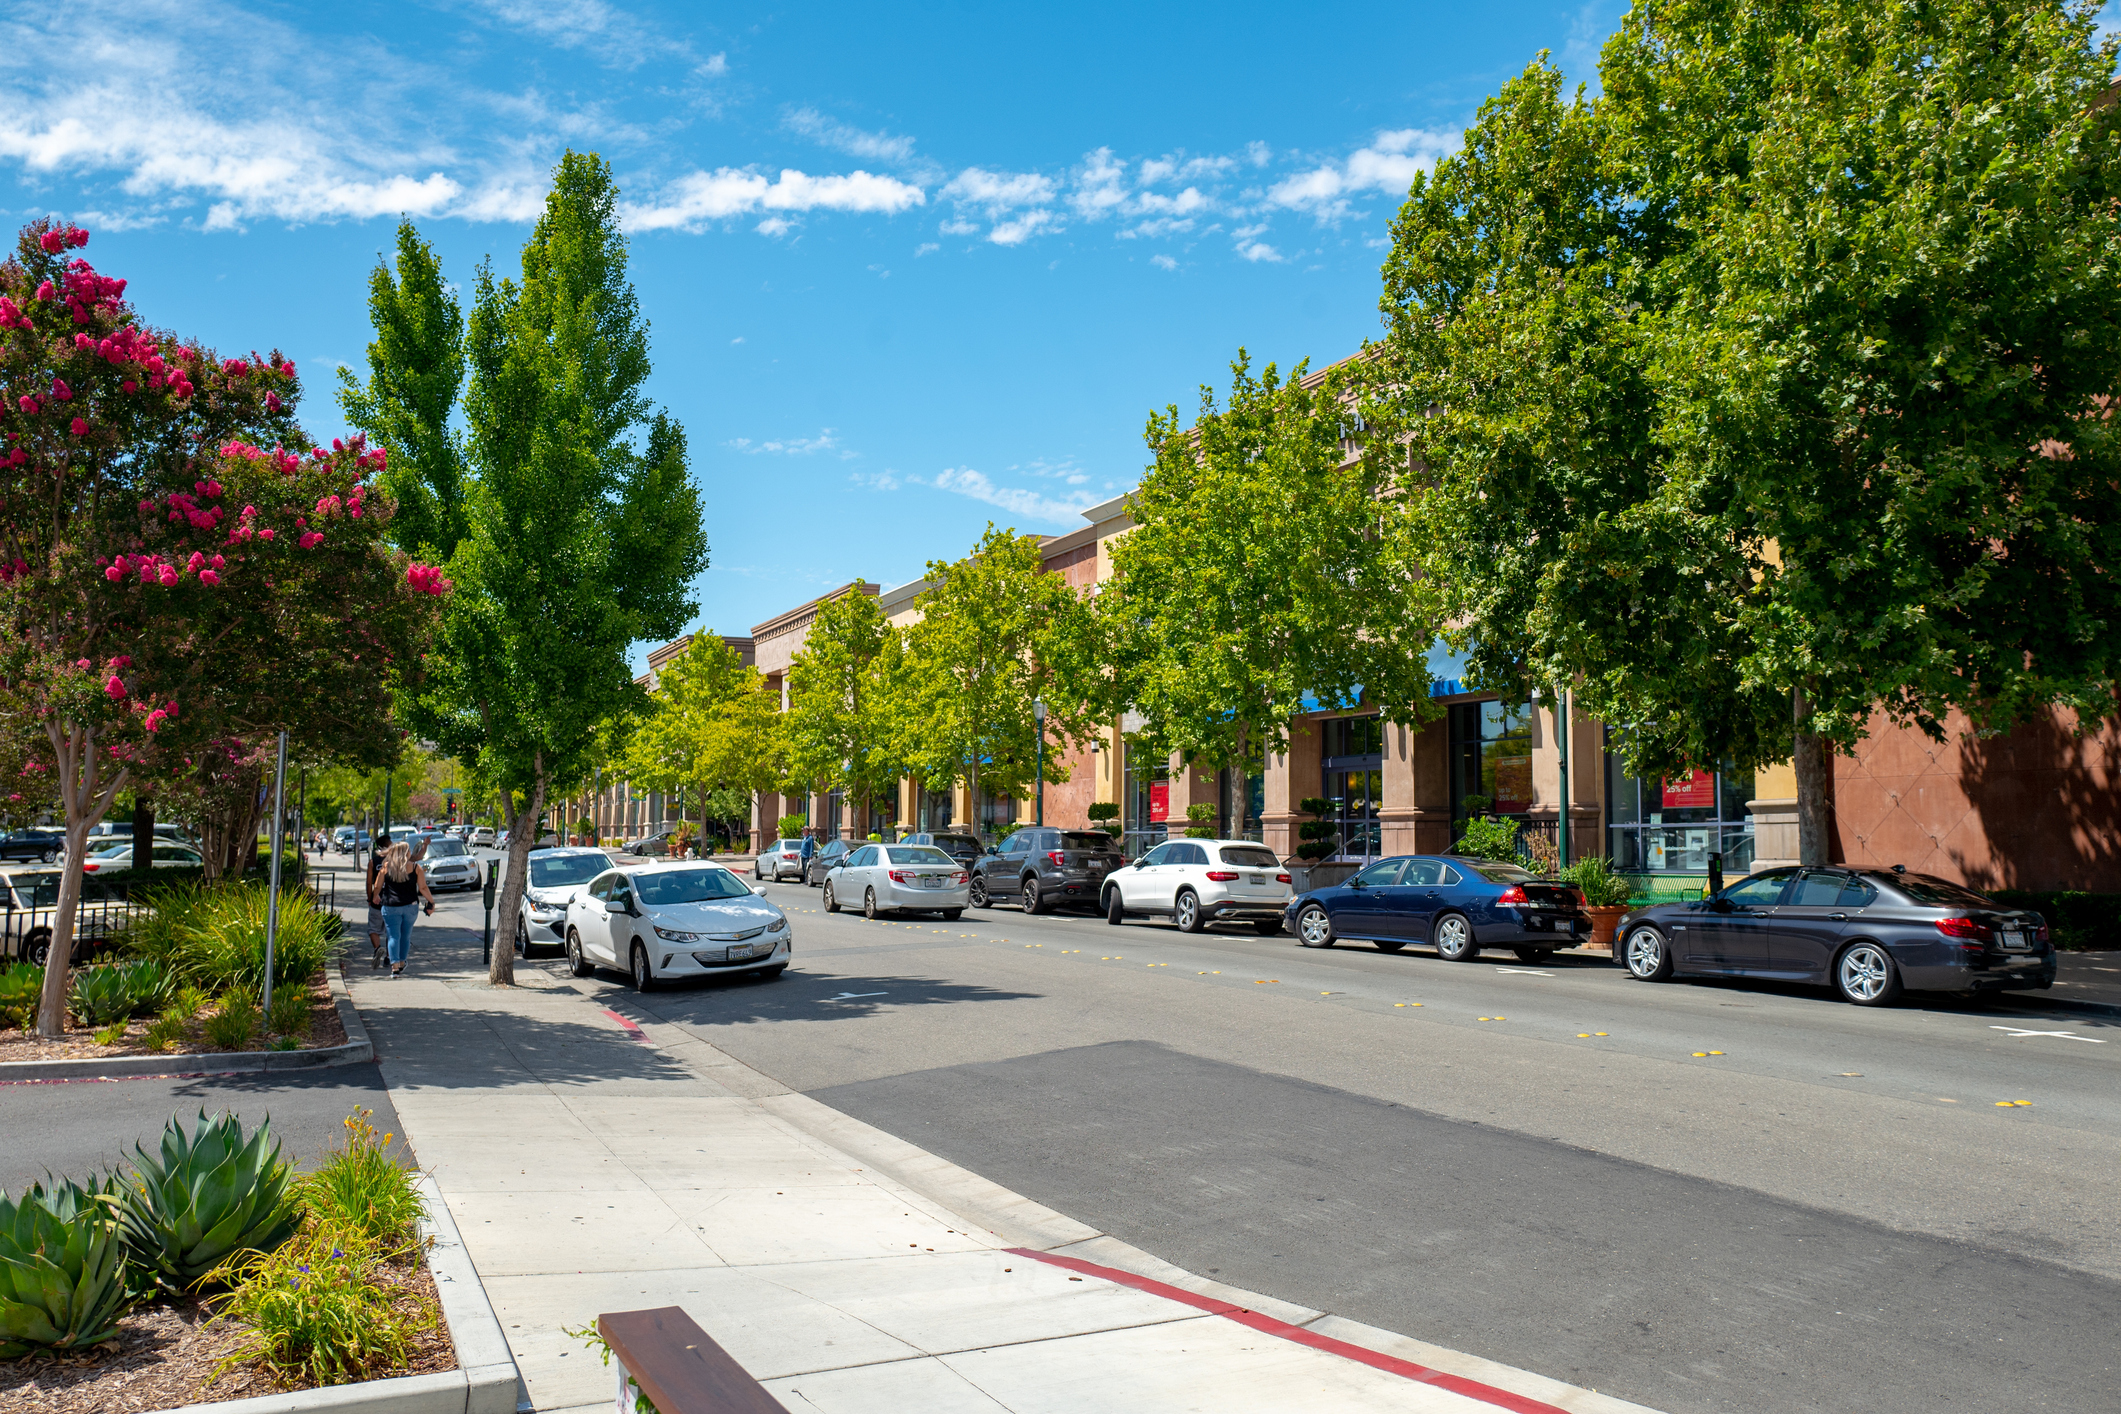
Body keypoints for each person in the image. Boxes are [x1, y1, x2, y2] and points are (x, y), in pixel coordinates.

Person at [370, 841, 435, 978]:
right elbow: (423, 888)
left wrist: (375, 896)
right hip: (410, 906)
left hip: (390, 907)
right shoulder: (416, 868)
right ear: (407, 853)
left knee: (393, 936)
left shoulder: (386, 867)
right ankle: (401, 962)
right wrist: (431, 901)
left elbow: (377, 886)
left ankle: (394, 968)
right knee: (405, 936)